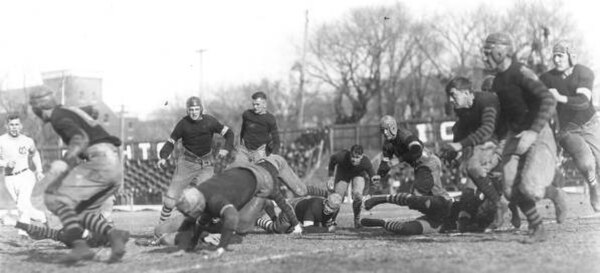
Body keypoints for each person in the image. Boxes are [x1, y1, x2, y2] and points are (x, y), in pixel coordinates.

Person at [29, 86, 129, 263]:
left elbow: (79, 138)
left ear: (39, 107)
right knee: (80, 213)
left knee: (54, 197)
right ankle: (114, 236)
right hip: (114, 162)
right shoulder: (66, 111)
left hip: (99, 161)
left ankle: (79, 247)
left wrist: (65, 162)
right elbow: (92, 112)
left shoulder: (57, 117)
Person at [482, 32, 557, 242]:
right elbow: (505, 116)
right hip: (516, 134)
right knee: (509, 189)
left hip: (538, 131)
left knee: (529, 187)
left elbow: (548, 100)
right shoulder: (497, 82)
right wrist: (496, 139)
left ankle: (554, 195)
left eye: (488, 52)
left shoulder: (520, 72)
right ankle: (538, 227)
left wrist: (533, 131)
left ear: (501, 51)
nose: (485, 57)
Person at [166, 154, 307, 258]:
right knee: (206, 215)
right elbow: (194, 218)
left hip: (263, 181)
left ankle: (268, 208)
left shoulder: (215, 200)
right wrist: (188, 247)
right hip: (245, 172)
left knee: (241, 225)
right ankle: (264, 211)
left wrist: (220, 249)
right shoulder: (201, 193)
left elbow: (231, 218)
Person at [361, 116, 452, 235]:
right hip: (437, 213)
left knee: (417, 196)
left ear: (393, 127)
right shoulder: (388, 144)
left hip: (429, 163)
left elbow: (416, 150)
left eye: (387, 129)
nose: (384, 133)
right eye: (382, 130)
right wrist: (379, 175)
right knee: (428, 197)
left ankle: (380, 199)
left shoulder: (404, 135)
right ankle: (382, 222)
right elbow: (385, 164)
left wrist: (398, 160)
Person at [540, 40, 600, 212]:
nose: (556, 60)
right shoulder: (546, 78)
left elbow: (583, 102)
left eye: (560, 55)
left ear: (570, 56)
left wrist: (560, 98)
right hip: (567, 129)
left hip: (589, 123)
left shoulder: (583, 72)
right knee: (587, 164)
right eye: (554, 56)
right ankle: (593, 187)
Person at [156, 96, 234, 223]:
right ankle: (160, 227)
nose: (194, 112)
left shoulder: (210, 121)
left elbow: (229, 133)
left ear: (201, 109)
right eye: (191, 109)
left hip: (206, 164)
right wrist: (163, 156)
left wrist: (227, 148)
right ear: (187, 110)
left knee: (209, 199)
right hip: (187, 163)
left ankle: (214, 228)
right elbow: (171, 141)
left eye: (196, 109)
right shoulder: (183, 124)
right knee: (170, 199)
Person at [0, 113, 47, 238]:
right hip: (10, 178)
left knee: (22, 205)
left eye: (16, 124)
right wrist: (5, 163)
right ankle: (41, 217)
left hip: (26, 175)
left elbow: (35, 154)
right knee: (24, 207)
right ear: (7, 126)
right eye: (11, 125)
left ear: (20, 126)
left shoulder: (27, 140)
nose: (14, 127)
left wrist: (39, 170)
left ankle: (23, 233)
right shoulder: (1, 141)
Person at [327, 144, 378, 228]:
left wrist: (370, 194)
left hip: (358, 175)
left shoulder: (366, 162)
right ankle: (331, 221)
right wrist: (331, 177)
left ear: (362, 156)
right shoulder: (342, 156)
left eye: (357, 157)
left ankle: (357, 221)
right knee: (337, 197)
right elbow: (332, 159)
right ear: (350, 154)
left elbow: (375, 180)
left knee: (358, 196)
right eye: (352, 157)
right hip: (343, 173)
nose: (354, 160)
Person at [256, 193, 343, 234]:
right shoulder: (314, 206)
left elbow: (328, 222)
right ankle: (257, 220)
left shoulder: (336, 210)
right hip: (292, 209)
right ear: (325, 201)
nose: (328, 209)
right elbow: (307, 229)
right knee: (278, 229)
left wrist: (330, 225)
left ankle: (272, 211)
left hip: (303, 210)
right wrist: (327, 230)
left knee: (291, 230)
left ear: (337, 208)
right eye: (328, 205)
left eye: (332, 208)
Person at [237, 91, 280, 163]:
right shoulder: (247, 114)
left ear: (264, 104)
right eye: (253, 104)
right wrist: (241, 146)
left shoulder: (270, 119)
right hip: (244, 150)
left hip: (260, 152)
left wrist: (272, 155)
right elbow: (242, 132)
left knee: (258, 172)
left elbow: (276, 141)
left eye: (257, 104)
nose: (255, 107)